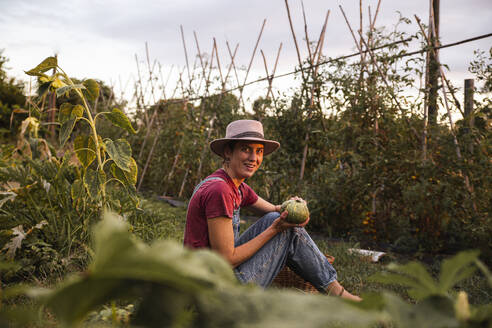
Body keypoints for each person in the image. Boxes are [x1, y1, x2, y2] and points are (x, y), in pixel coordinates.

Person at [184, 119, 361, 301]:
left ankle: (337, 292)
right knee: (282, 229)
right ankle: (340, 295)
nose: (254, 158)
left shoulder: (235, 186)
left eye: (259, 151)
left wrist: (293, 208)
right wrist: (276, 229)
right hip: (213, 290)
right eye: (246, 149)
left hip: (216, 278)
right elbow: (226, 259)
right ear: (228, 151)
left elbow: (276, 210)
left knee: (276, 218)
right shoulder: (220, 191)